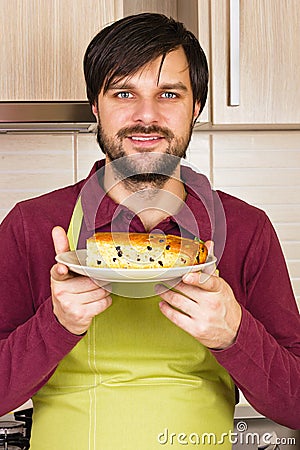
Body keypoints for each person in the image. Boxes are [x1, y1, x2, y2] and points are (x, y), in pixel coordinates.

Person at [0, 12, 299, 449]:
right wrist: (56, 323)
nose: (146, 116)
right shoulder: (32, 225)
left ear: (195, 107)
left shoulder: (247, 229)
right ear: (95, 105)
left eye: (169, 94)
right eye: (124, 93)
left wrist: (235, 335)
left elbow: (293, 405)